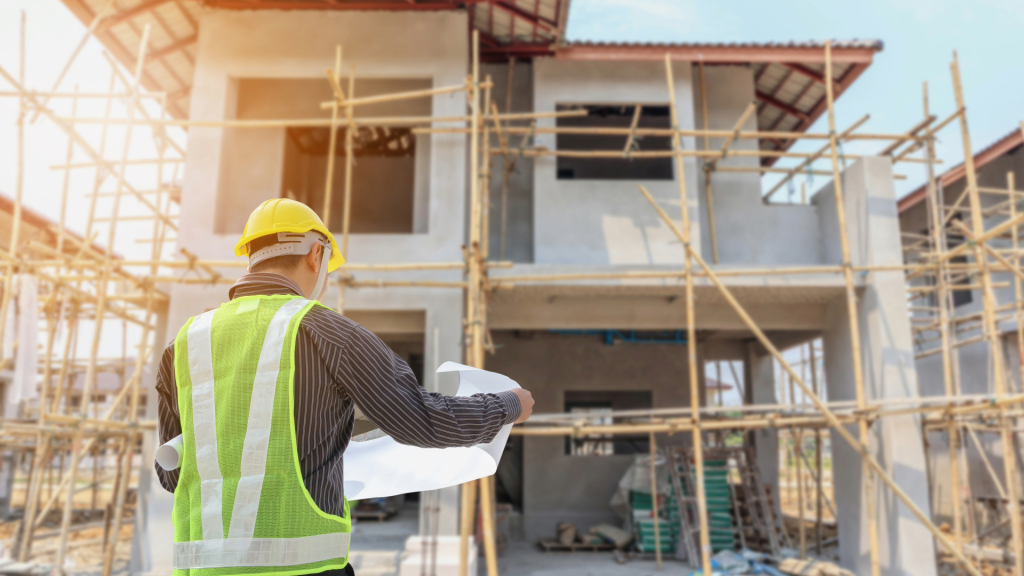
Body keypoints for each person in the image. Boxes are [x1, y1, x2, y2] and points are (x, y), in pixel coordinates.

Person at [155, 198, 534, 576]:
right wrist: (507, 405)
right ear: (315, 255)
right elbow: (422, 420)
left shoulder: (184, 346)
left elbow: (172, 475)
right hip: (304, 570)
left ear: (251, 256)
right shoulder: (330, 334)